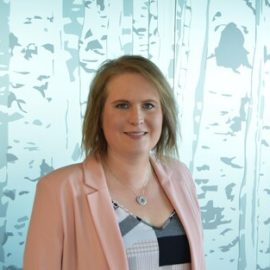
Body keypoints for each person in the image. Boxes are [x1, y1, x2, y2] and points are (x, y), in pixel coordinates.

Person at [23, 55, 205, 270]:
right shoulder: (59, 190)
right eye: (122, 105)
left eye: (148, 105)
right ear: (99, 116)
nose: (136, 118)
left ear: (164, 114)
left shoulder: (180, 176)